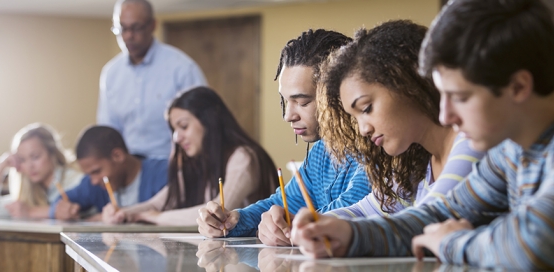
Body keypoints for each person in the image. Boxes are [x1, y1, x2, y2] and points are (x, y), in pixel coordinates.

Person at [290, 0, 554, 270]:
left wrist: (452, 243)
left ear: (518, 86)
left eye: (461, 97)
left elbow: (532, 243)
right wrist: (349, 235)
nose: (446, 116)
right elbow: (440, 214)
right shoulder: (513, 150)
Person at [196, 29, 371, 245]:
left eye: (303, 102)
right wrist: (232, 220)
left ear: (340, 94)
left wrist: (289, 223)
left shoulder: (378, 145)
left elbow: (356, 209)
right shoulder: (321, 152)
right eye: (285, 101)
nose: (288, 115)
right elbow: (282, 203)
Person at [317, 20, 484, 220]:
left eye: (367, 108)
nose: (363, 129)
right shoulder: (417, 166)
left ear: (406, 81)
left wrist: (341, 230)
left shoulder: (471, 140)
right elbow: (362, 211)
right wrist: (307, 224)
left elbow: (428, 218)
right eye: (356, 118)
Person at [101, 86, 280, 226]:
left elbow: (219, 211)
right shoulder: (196, 162)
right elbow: (157, 204)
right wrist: (123, 212)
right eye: (174, 130)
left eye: (183, 126)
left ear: (209, 121)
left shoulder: (244, 157)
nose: (176, 138)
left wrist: (157, 218)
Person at [98, 0, 207, 159]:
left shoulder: (181, 67)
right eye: (122, 28)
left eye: (136, 28)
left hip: (173, 161)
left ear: (152, 25)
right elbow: (108, 129)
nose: (128, 35)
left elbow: (203, 122)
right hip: (130, 167)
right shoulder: (111, 73)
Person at [50, 125, 168, 220]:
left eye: (97, 171)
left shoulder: (163, 173)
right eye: (89, 174)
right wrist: (61, 210)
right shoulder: (93, 184)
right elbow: (62, 200)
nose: (94, 181)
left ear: (118, 155)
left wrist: (99, 218)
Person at [0, 123, 83, 219]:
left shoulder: (77, 181)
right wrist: (1, 165)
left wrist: (32, 212)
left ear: (52, 153)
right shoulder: (27, 194)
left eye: (35, 157)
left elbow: (81, 213)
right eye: (22, 160)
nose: (30, 166)